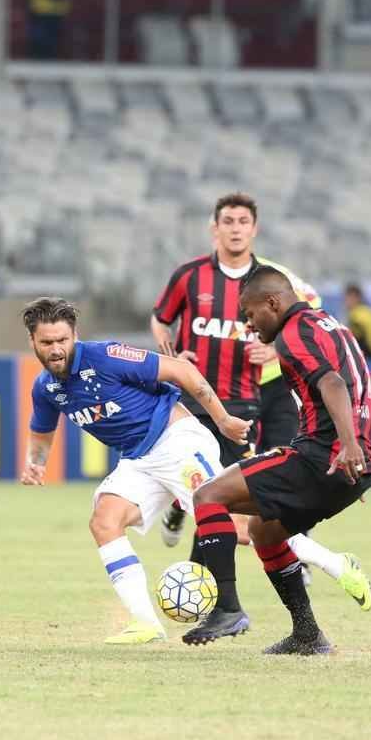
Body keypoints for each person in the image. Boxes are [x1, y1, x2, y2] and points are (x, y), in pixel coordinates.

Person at [18, 296, 252, 644]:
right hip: (138, 459)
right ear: (32, 342)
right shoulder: (46, 387)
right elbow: (41, 433)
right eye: (47, 342)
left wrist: (223, 420)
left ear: (75, 335)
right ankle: (146, 623)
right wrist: (35, 464)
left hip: (177, 442)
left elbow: (183, 371)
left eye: (62, 340)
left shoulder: (105, 356)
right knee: (104, 521)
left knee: (243, 530)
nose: (55, 349)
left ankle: (333, 565)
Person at [182, 266, 371, 655]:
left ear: (272, 303)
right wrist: (360, 450)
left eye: (249, 313)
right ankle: (307, 635)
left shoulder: (293, 334)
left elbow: (333, 383)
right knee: (264, 531)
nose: (247, 323)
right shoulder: (333, 326)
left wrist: (348, 445)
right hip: (346, 467)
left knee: (207, 496)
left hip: (317, 457)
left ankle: (228, 608)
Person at [150, 192, 320, 550]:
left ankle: (289, 556)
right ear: (215, 228)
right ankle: (187, 520)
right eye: (228, 222)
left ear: (255, 229)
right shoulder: (190, 276)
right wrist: (172, 355)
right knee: (202, 481)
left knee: (238, 492)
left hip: (244, 400)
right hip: (192, 399)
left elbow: (308, 320)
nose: (236, 229)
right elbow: (160, 320)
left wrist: (274, 351)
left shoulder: (273, 279)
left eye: (243, 222)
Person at [343, 283, 371, 362]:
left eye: (347, 299)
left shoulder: (356, 315)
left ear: (356, 298)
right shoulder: (369, 311)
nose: (345, 302)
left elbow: (354, 338)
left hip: (370, 356)